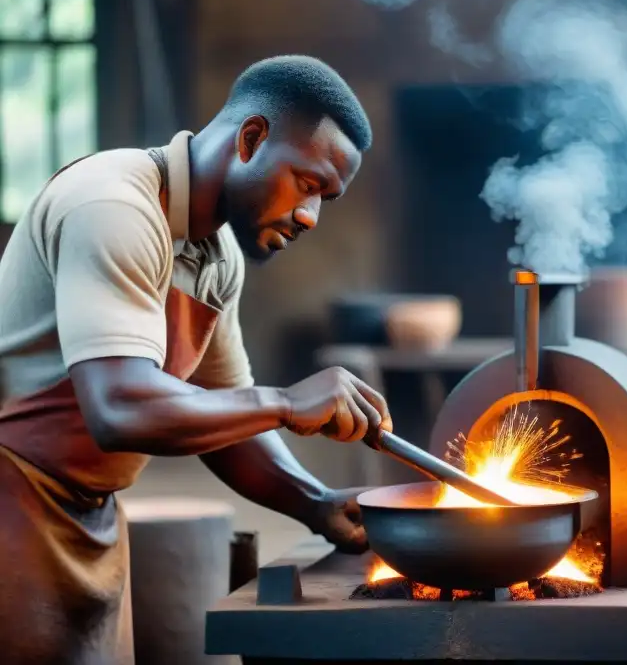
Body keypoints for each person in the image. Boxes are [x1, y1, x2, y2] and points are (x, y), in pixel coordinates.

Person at [0, 55, 393, 664]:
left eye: (327, 199)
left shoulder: (217, 258)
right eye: (308, 184)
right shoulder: (115, 206)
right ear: (252, 138)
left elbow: (223, 424)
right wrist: (287, 403)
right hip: (10, 505)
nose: (311, 216)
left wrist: (314, 503)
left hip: (88, 515)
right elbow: (120, 408)